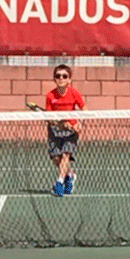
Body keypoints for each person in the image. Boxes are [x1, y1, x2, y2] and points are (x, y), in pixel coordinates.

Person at [44, 64, 85, 197]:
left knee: (66, 155)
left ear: (69, 80)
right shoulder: (50, 96)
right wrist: (62, 123)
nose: (61, 78)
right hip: (55, 130)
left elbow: (84, 110)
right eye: (58, 76)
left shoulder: (74, 93)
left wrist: (79, 123)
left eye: (64, 76)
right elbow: (49, 118)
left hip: (71, 133)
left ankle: (59, 183)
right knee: (56, 158)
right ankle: (70, 175)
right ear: (54, 79)